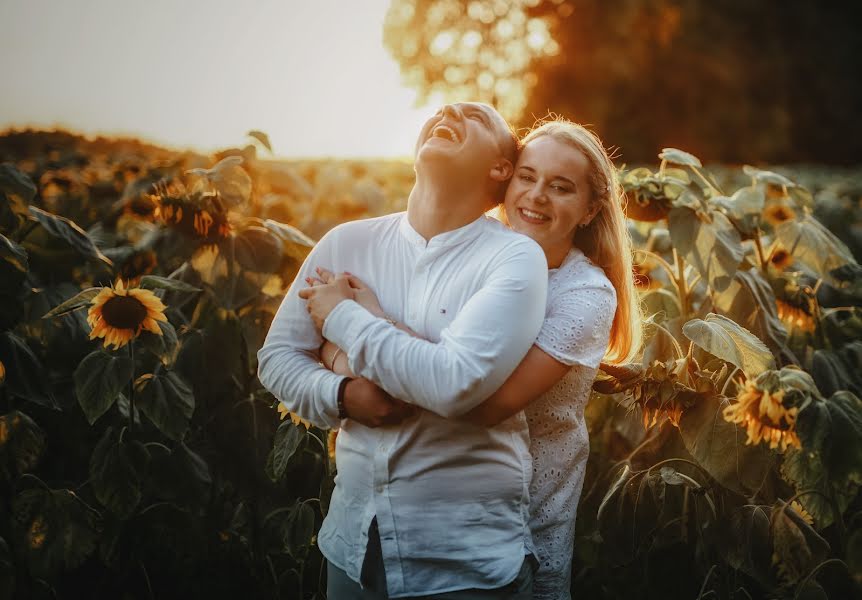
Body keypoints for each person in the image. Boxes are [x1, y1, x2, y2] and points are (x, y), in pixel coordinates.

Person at [307, 119, 643, 599]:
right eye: (527, 177)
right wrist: (342, 363)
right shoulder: (469, 254)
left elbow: (480, 402)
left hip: (522, 518)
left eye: (561, 187)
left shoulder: (583, 294)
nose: (537, 195)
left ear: (590, 211)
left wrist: (360, 327)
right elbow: (416, 363)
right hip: (426, 510)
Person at [257, 102, 549, 599]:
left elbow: (454, 384)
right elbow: (277, 358)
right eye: (443, 108)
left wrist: (343, 319)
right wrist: (344, 394)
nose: (451, 108)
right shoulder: (345, 242)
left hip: (462, 558)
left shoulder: (515, 258)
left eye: (475, 116)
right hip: (352, 545)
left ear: (500, 168)